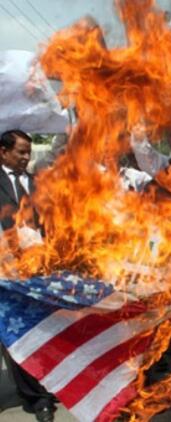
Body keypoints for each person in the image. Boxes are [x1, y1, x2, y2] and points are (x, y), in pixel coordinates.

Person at [0, 130, 56, 422]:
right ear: (3, 151)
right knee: (16, 334)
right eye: (21, 152)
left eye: (28, 152)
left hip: (40, 270)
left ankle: (47, 386)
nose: (26, 158)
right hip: (6, 272)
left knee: (43, 329)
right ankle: (37, 398)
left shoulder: (36, 183)